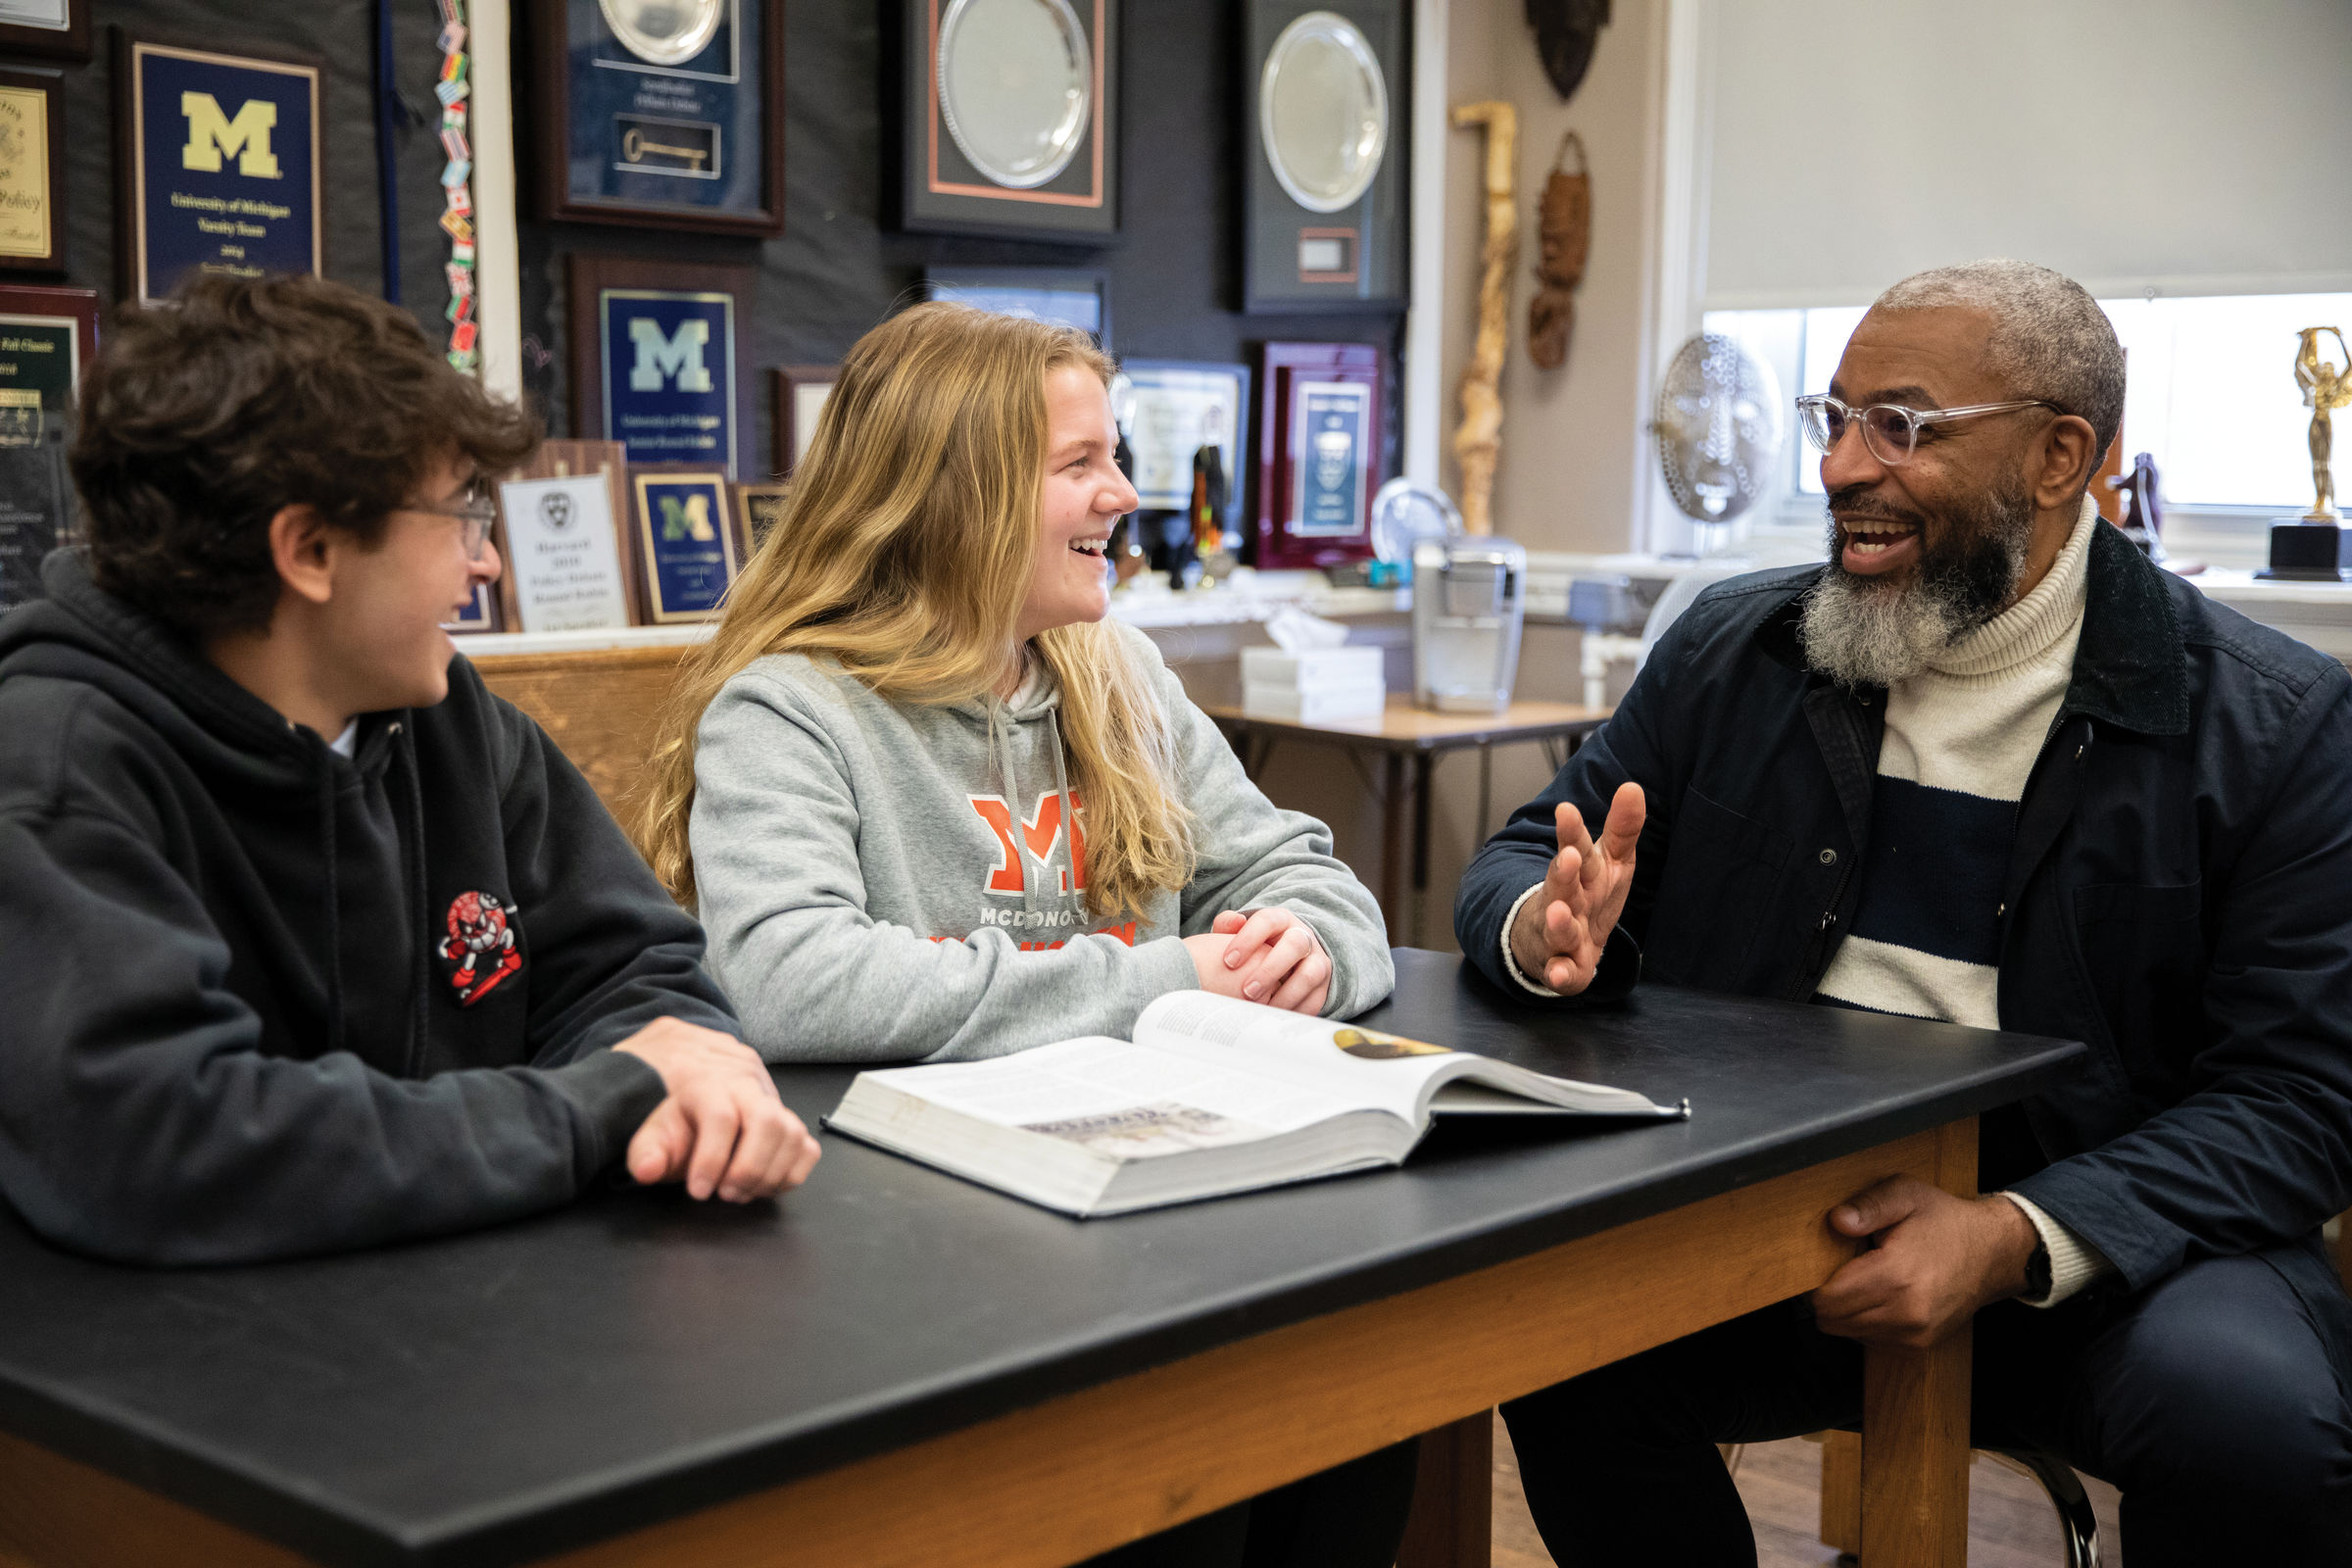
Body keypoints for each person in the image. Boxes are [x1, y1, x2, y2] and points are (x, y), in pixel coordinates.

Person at [1456, 260, 2352, 1565]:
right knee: (1542, 1329)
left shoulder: (2273, 725)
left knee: (2256, 1427)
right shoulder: (1731, 653)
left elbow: (2301, 1097)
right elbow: (1524, 856)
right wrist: (1540, 927)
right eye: (1836, 420)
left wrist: (2013, 1235)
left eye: (1904, 427)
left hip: (2114, 1250)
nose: (1839, 469)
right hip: (1770, 1226)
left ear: (2059, 460)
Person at [632, 301, 1412, 1567]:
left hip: (1159, 1203)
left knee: (1365, 1394)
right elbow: (787, 978)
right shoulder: (788, 710)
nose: (1124, 493)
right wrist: (1170, 979)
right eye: (1080, 463)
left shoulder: (1118, 673)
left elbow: (1305, 877)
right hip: (912, 1255)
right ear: (957, 494)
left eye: (1118, 456)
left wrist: (1306, 949)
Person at [0, 273, 818, 1267]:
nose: (489, 564)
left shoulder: (448, 718)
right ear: (311, 548)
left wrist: (691, 1090)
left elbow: (635, 971)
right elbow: (163, 1140)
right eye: (463, 512)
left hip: (472, 1311)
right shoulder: (57, 769)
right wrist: (602, 1102)